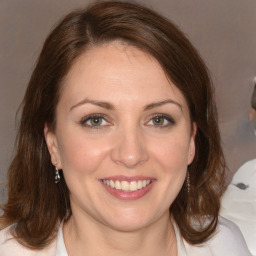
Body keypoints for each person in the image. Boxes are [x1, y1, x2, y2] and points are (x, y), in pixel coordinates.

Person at [0, 1, 251, 255]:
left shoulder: (224, 245)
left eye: (158, 120)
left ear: (191, 141)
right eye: (96, 120)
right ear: (52, 143)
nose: (131, 154)